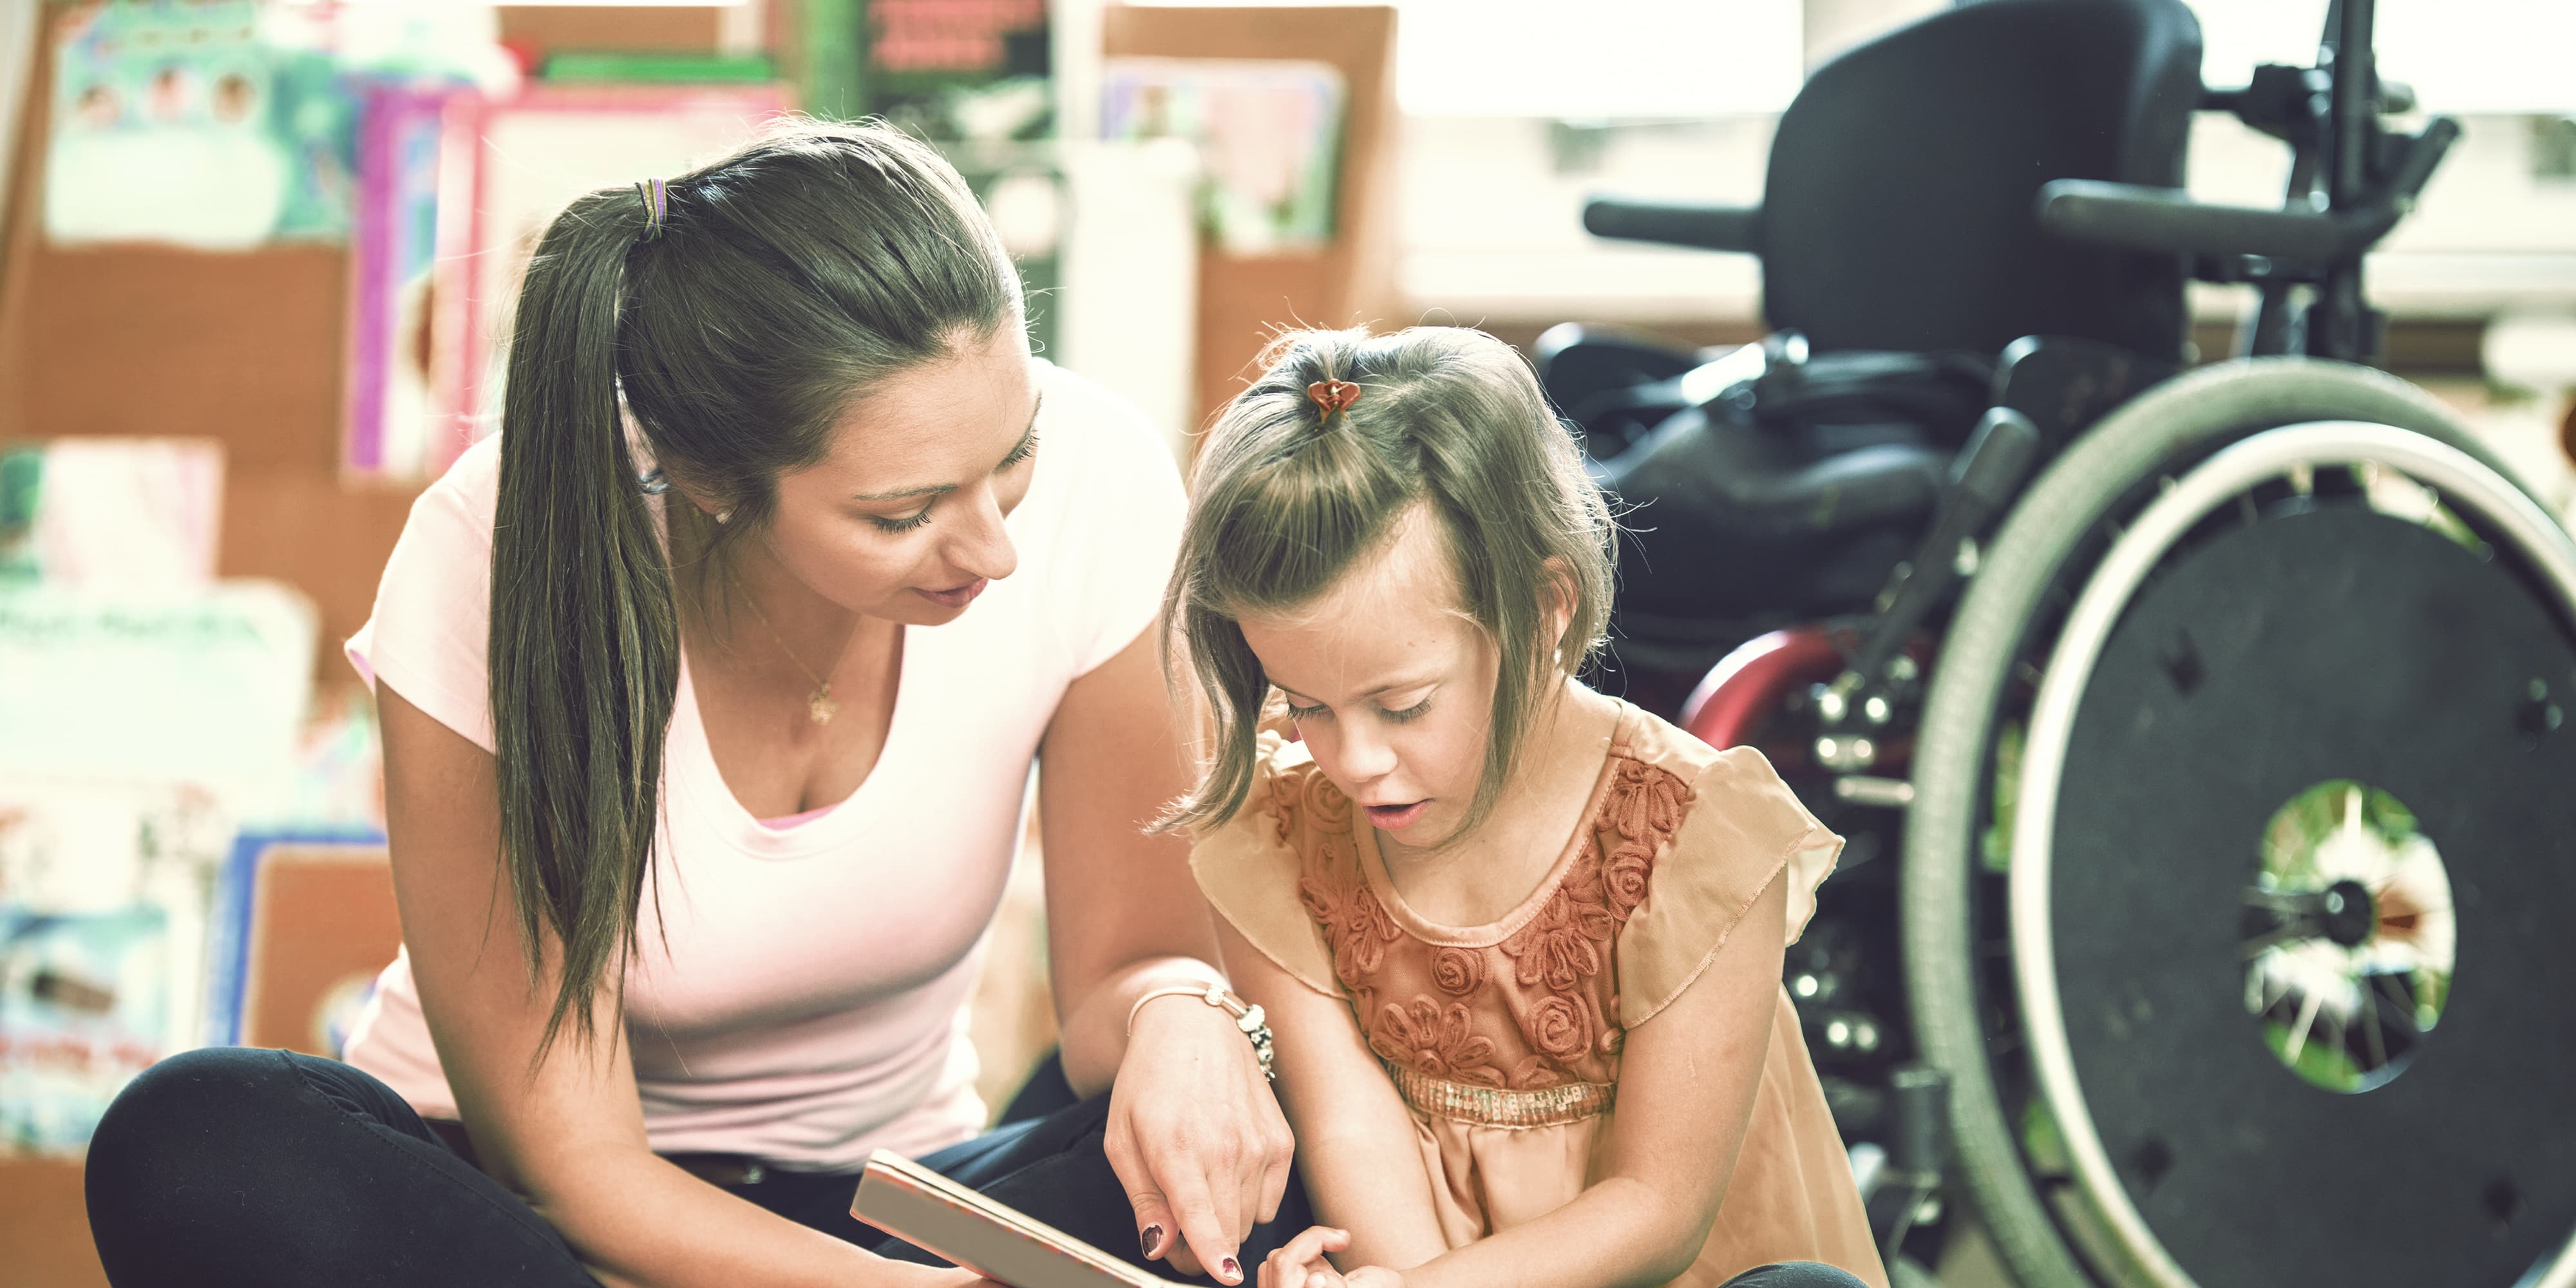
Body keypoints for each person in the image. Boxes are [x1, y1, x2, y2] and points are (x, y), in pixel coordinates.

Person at [84, 122, 1296, 1288]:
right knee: (197, 1143)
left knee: (1293, 1113)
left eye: (1013, 455)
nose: (994, 548)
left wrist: (1185, 1017)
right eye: (902, 513)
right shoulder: (495, 549)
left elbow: (1125, 974)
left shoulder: (1100, 481)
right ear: (712, 478)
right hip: (522, 1224)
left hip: (892, 1199)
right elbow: (574, 1171)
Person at [1166, 327, 1889, 1288]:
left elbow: (1658, 1209)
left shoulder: (1694, 836)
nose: (1356, 761)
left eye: (1404, 705)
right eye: (1304, 705)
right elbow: (1349, 1127)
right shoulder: (1279, 835)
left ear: (1545, 611)